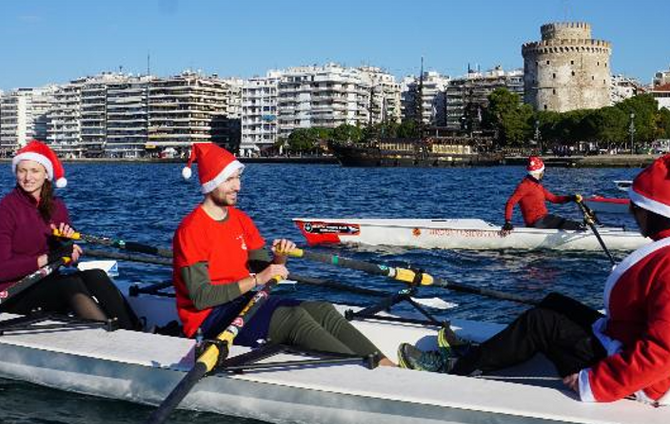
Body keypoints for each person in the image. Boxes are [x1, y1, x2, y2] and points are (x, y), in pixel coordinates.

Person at [398, 153, 670, 406]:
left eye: (636, 208)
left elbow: (663, 351)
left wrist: (597, 384)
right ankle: (483, 353)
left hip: (645, 385)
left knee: (541, 323)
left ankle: (456, 368)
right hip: (625, 345)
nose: (633, 215)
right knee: (555, 303)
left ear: (654, 212)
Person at [173, 142, 394, 365]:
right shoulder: (191, 230)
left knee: (322, 309)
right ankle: (360, 371)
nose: (238, 186)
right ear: (211, 183)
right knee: (293, 319)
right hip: (209, 319)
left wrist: (280, 257)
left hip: (242, 303)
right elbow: (201, 298)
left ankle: (387, 367)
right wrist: (258, 279)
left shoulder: (241, 220)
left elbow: (264, 269)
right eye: (229, 179)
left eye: (238, 178)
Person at [0, 140, 141, 330]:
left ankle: (134, 331)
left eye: (34, 171)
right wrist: (43, 260)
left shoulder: (57, 207)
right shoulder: (6, 209)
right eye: (22, 170)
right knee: (70, 283)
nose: (27, 177)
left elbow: (65, 259)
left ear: (46, 175)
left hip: (45, 281)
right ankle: (106, 338)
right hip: (13, 292)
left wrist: (67, 248)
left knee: (96, 276)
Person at [501, 155, 584, 233]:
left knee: (567, 223)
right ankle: (582, 229)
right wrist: (508, 222)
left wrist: (571, 198)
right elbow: (510, 203)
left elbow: (554, 199)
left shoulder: (537, 186)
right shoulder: (524, 186)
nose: (544, 173)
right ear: (540, 172)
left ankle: (581, 227)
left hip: (542, 220)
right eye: (544, 171)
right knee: (571, 224)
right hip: (538, 222)